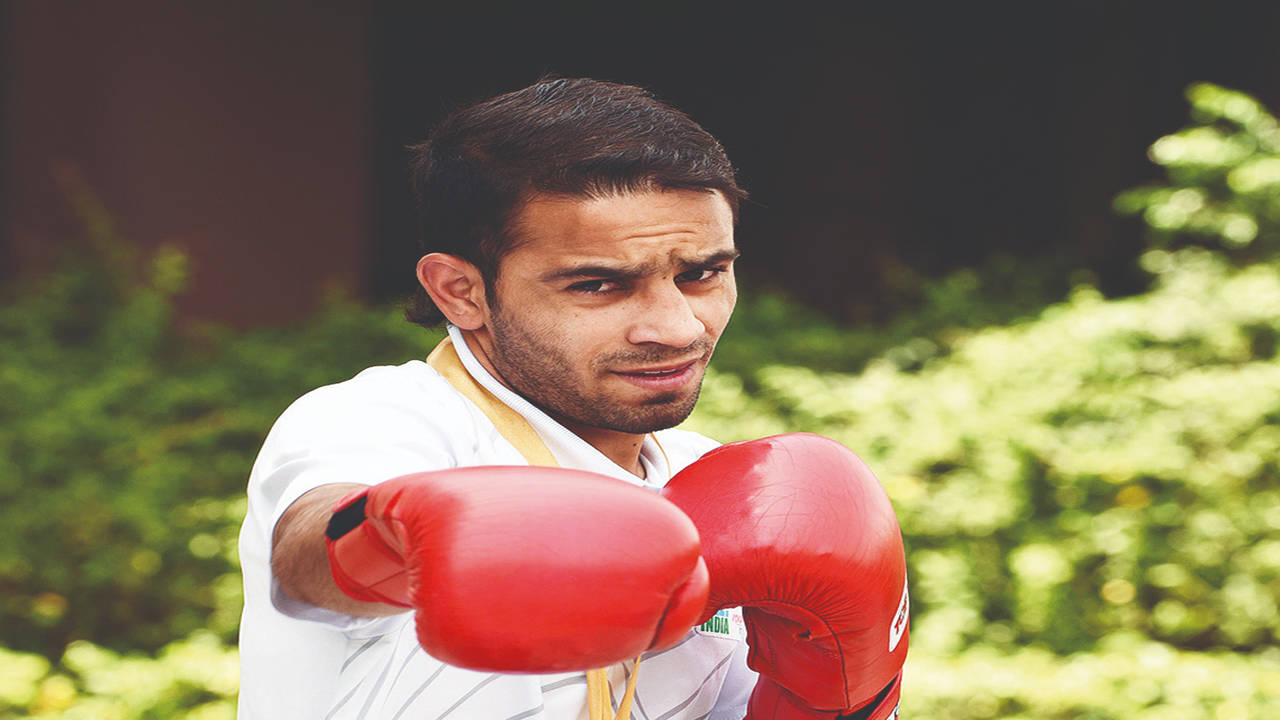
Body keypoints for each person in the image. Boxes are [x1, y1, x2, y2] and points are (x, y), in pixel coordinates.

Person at [237, 77, 907, 720]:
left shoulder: (715, 485)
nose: (676, 327)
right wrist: (399, 543)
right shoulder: (388, 422)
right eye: (598, 285)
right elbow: (309, 549)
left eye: (702, 273)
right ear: (460, 291)